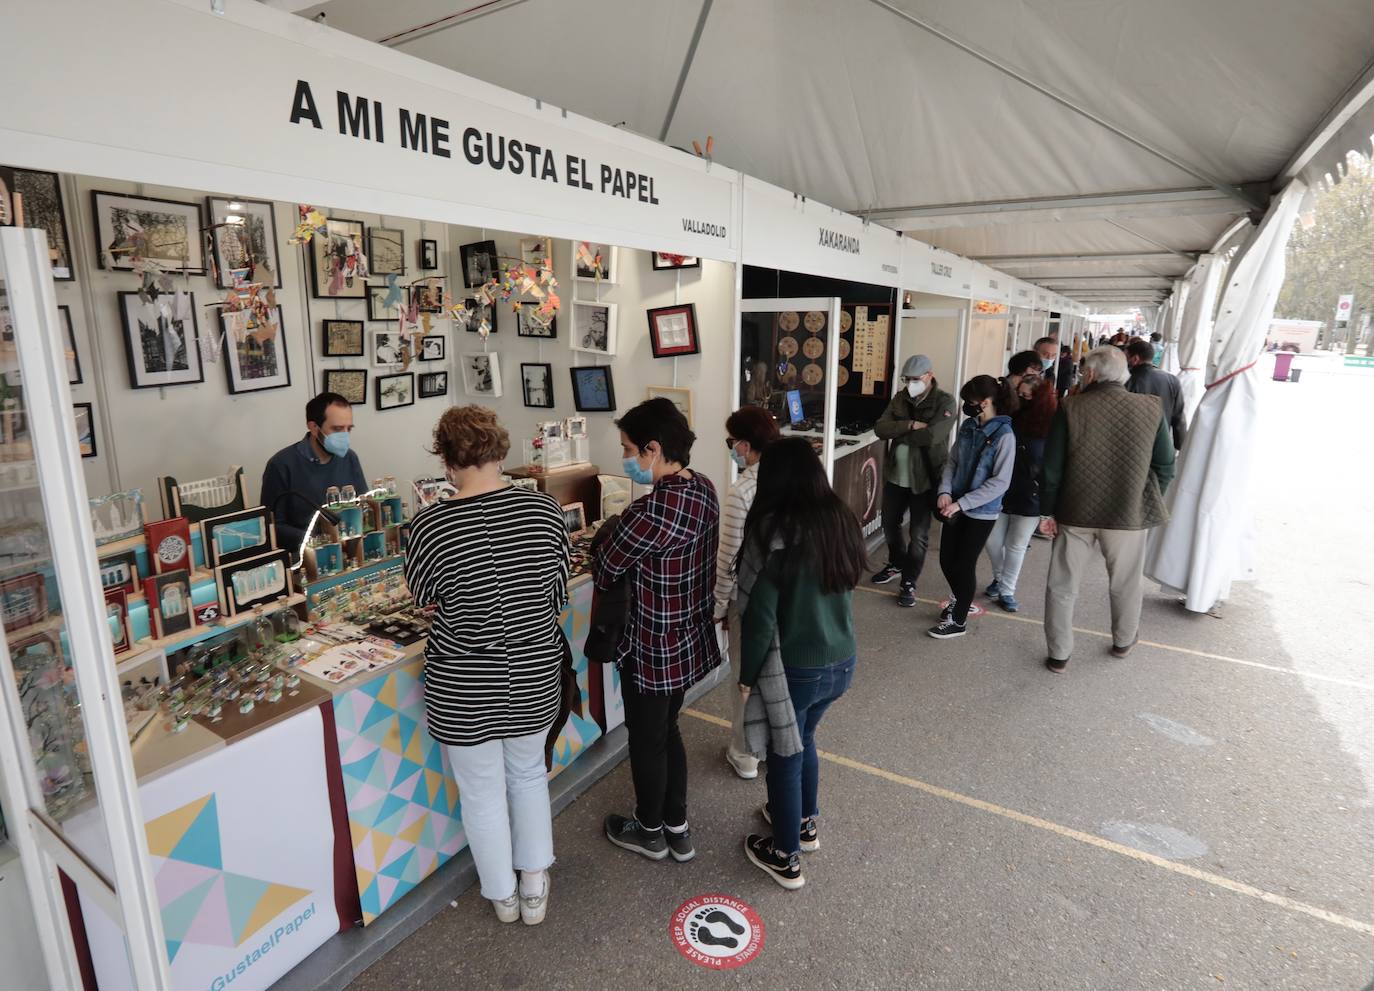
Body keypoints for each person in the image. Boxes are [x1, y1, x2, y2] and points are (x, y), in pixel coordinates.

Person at [404, 406, 569, 926]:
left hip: (462, 680)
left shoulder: (429, 525)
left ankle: (502, 894)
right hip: (532, 670)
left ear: (449, 461)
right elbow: (557, 589)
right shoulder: (543, 510)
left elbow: (425, 597)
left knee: (480, 793)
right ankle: (535, 882)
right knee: (527, 775)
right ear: (500, 452)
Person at [596, 399, 720, 862]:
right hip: (687, 638)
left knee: (647, 739)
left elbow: (607, 564)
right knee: (668, 730)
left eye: (629, 448)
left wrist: (613, 530)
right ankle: (677, 827)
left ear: (653, 448)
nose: (626, 457)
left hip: (649, 646)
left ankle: (649, 830)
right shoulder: (703, 487)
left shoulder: (651, 512)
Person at [737, 438, 862, 890]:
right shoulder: (839, 518)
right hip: (842, 660)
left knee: (783, 753)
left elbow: (759, 617)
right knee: (805, 737)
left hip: (796, 667)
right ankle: (805, 822)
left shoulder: (772, 530)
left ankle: (786, 855)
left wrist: (747, 677)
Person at [1039, 347, 1177, 672]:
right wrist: (1145, 497)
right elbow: (1165, 465)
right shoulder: (1150, 408)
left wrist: (1048, 511)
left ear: (1089, 374)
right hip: (1127, 514)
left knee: (1062, 585)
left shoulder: (1070, 407)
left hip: (1075, 511)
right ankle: (1123, 641)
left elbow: (1051, 469)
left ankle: (1059, 654)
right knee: (1126, 583)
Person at [716, 406, 781, 781]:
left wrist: (719, 604)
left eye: (730, 442)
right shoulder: (792, 479)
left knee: (745, 675)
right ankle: (772, 743)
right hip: (786, 595)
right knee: (776, 671)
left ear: (744, 444)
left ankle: (744, 753)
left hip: (751, 596)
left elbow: (730, 557)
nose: (731, 449)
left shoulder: (743, 489)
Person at [929, 376, 1016, 639]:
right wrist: (945, 491)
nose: (966, 405)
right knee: (947, 560)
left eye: (970, 401)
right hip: (954, 505)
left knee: (964, 564)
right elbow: (952, 462)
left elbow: (1000, 482)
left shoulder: (1005, 436)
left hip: (981, 511)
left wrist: (961, 503)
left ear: (986, 402)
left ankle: (958, 620)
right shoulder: (968, 426)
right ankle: (960, 600)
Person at [871, 354, 957, 607]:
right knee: (889, 523)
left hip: (925, 479)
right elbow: (880, 429)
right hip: (896, 476)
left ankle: (909, 580)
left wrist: (899, 432)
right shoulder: (900, 398)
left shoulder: (945, 401)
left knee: (918, 534)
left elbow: (932, 436)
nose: (910, 384)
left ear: (929, 375)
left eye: (915, 379)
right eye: (907, 379)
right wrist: (909, 425)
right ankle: (897, 562)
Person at [984, 352, 1058, 612]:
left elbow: (1054, 464)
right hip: (1001, 489)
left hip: (1031, 493)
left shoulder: (1052, 425)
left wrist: (1051, 502)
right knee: (992, 541)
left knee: (1016, 545)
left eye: (1028, 397)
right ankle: (1000, 577)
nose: (1023, 400)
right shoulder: (1010, 417)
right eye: (1021, 395)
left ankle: (1006, 589)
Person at [260, 392, 368, 551]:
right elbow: (272, 526)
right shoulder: (281, 465)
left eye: (348, 429)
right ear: (314, 427)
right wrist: (318, 540)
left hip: (349, 549)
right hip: (304, 556)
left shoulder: (350, 458)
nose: (344, 436)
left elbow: (363, 506)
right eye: (337, 429)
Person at [1125, 338, 1188, 451]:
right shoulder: (1172, 380)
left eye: (1127, 357)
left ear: (1135, 359)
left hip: (1133, 442)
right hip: (1162, 440)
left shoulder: (1127, 380)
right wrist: (1180, 444)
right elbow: (1179, 416)